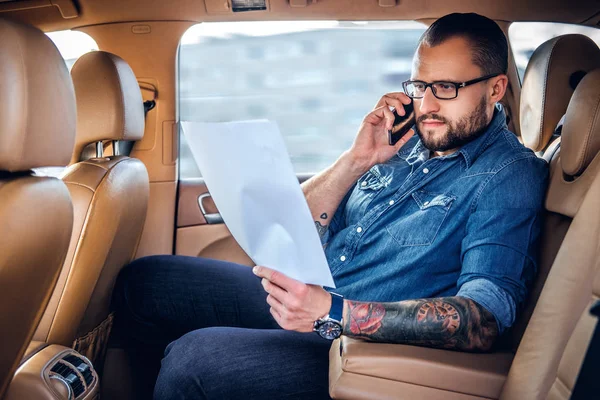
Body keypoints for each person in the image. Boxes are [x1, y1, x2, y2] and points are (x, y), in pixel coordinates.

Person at [110, 12, 548, 400]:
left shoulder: (509, 176)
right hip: (314, 296)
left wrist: (331, 313)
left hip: (354, 343)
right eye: (419, 85)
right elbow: (295, 226)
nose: (426, 105)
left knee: (193, 360)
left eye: (447, 88)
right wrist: (357, 159)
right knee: (144, 282)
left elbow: (483, 318)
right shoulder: (406, 144)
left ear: (495, 88)